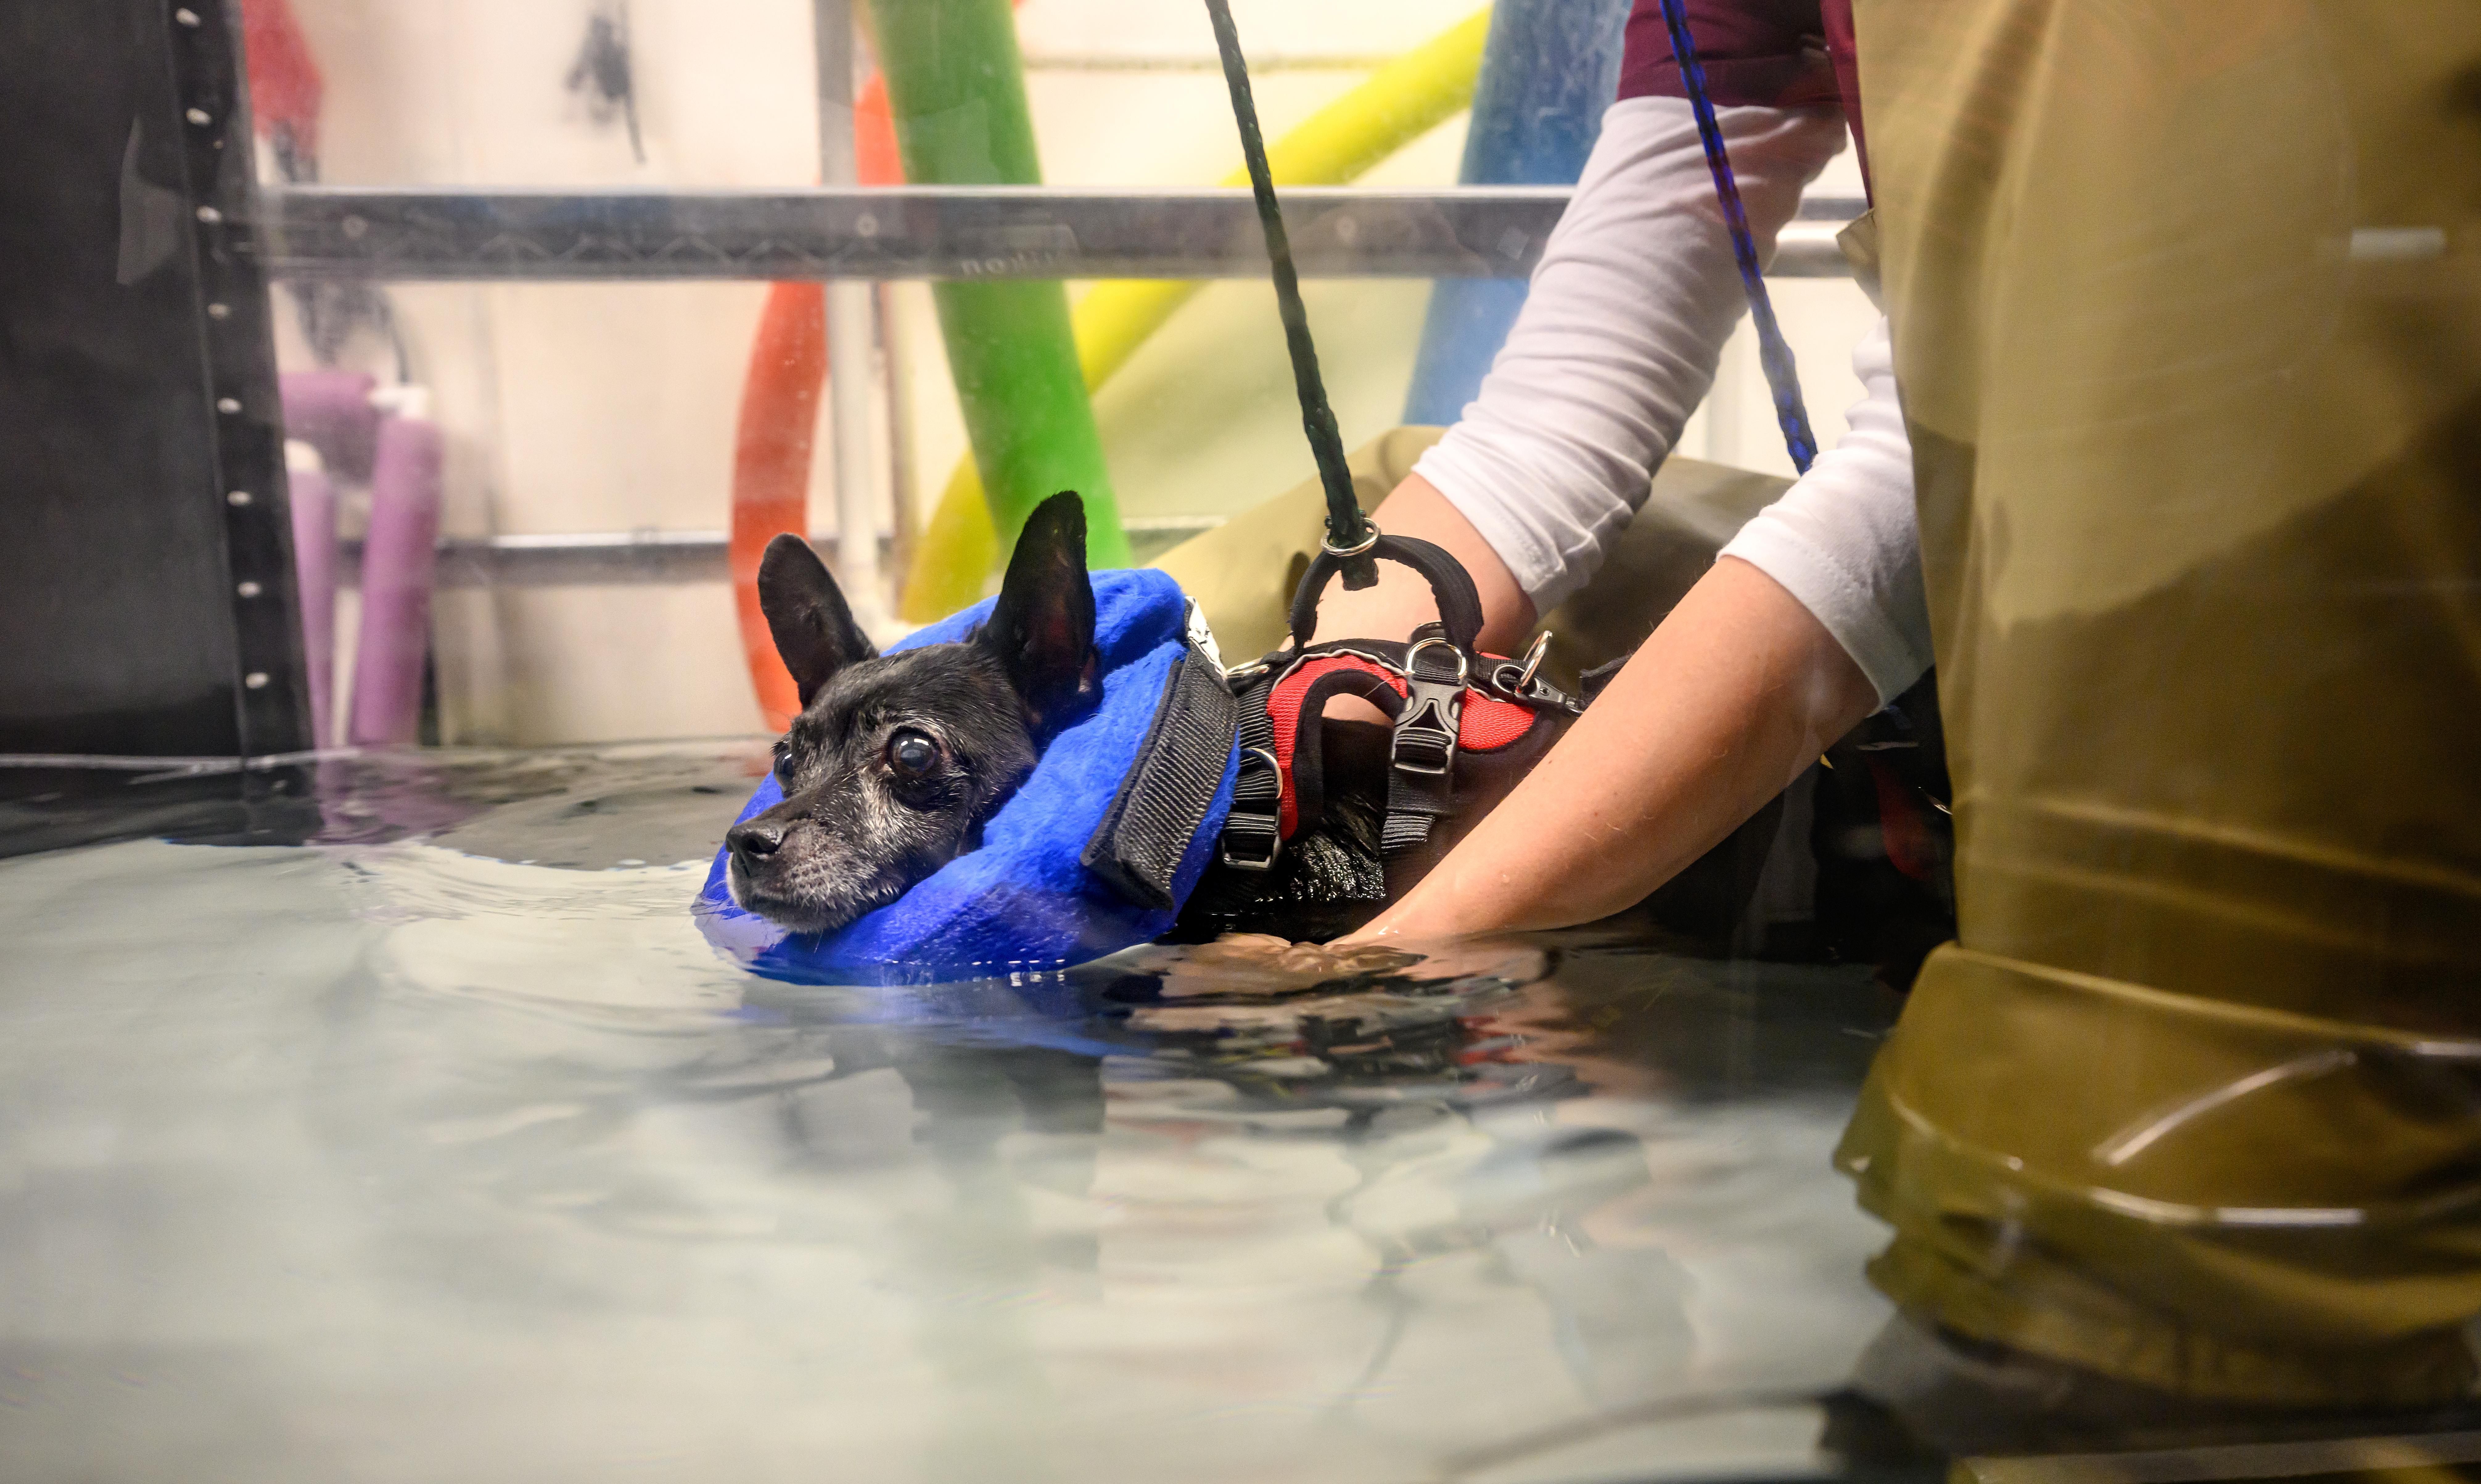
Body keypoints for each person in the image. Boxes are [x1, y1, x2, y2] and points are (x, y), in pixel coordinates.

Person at [1319, 0, 2481, 1438]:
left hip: (2321, 511)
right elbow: (1582, 374)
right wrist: (1326, 714)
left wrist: (1399, 953)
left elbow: (1959, 445)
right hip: (2020, 451)